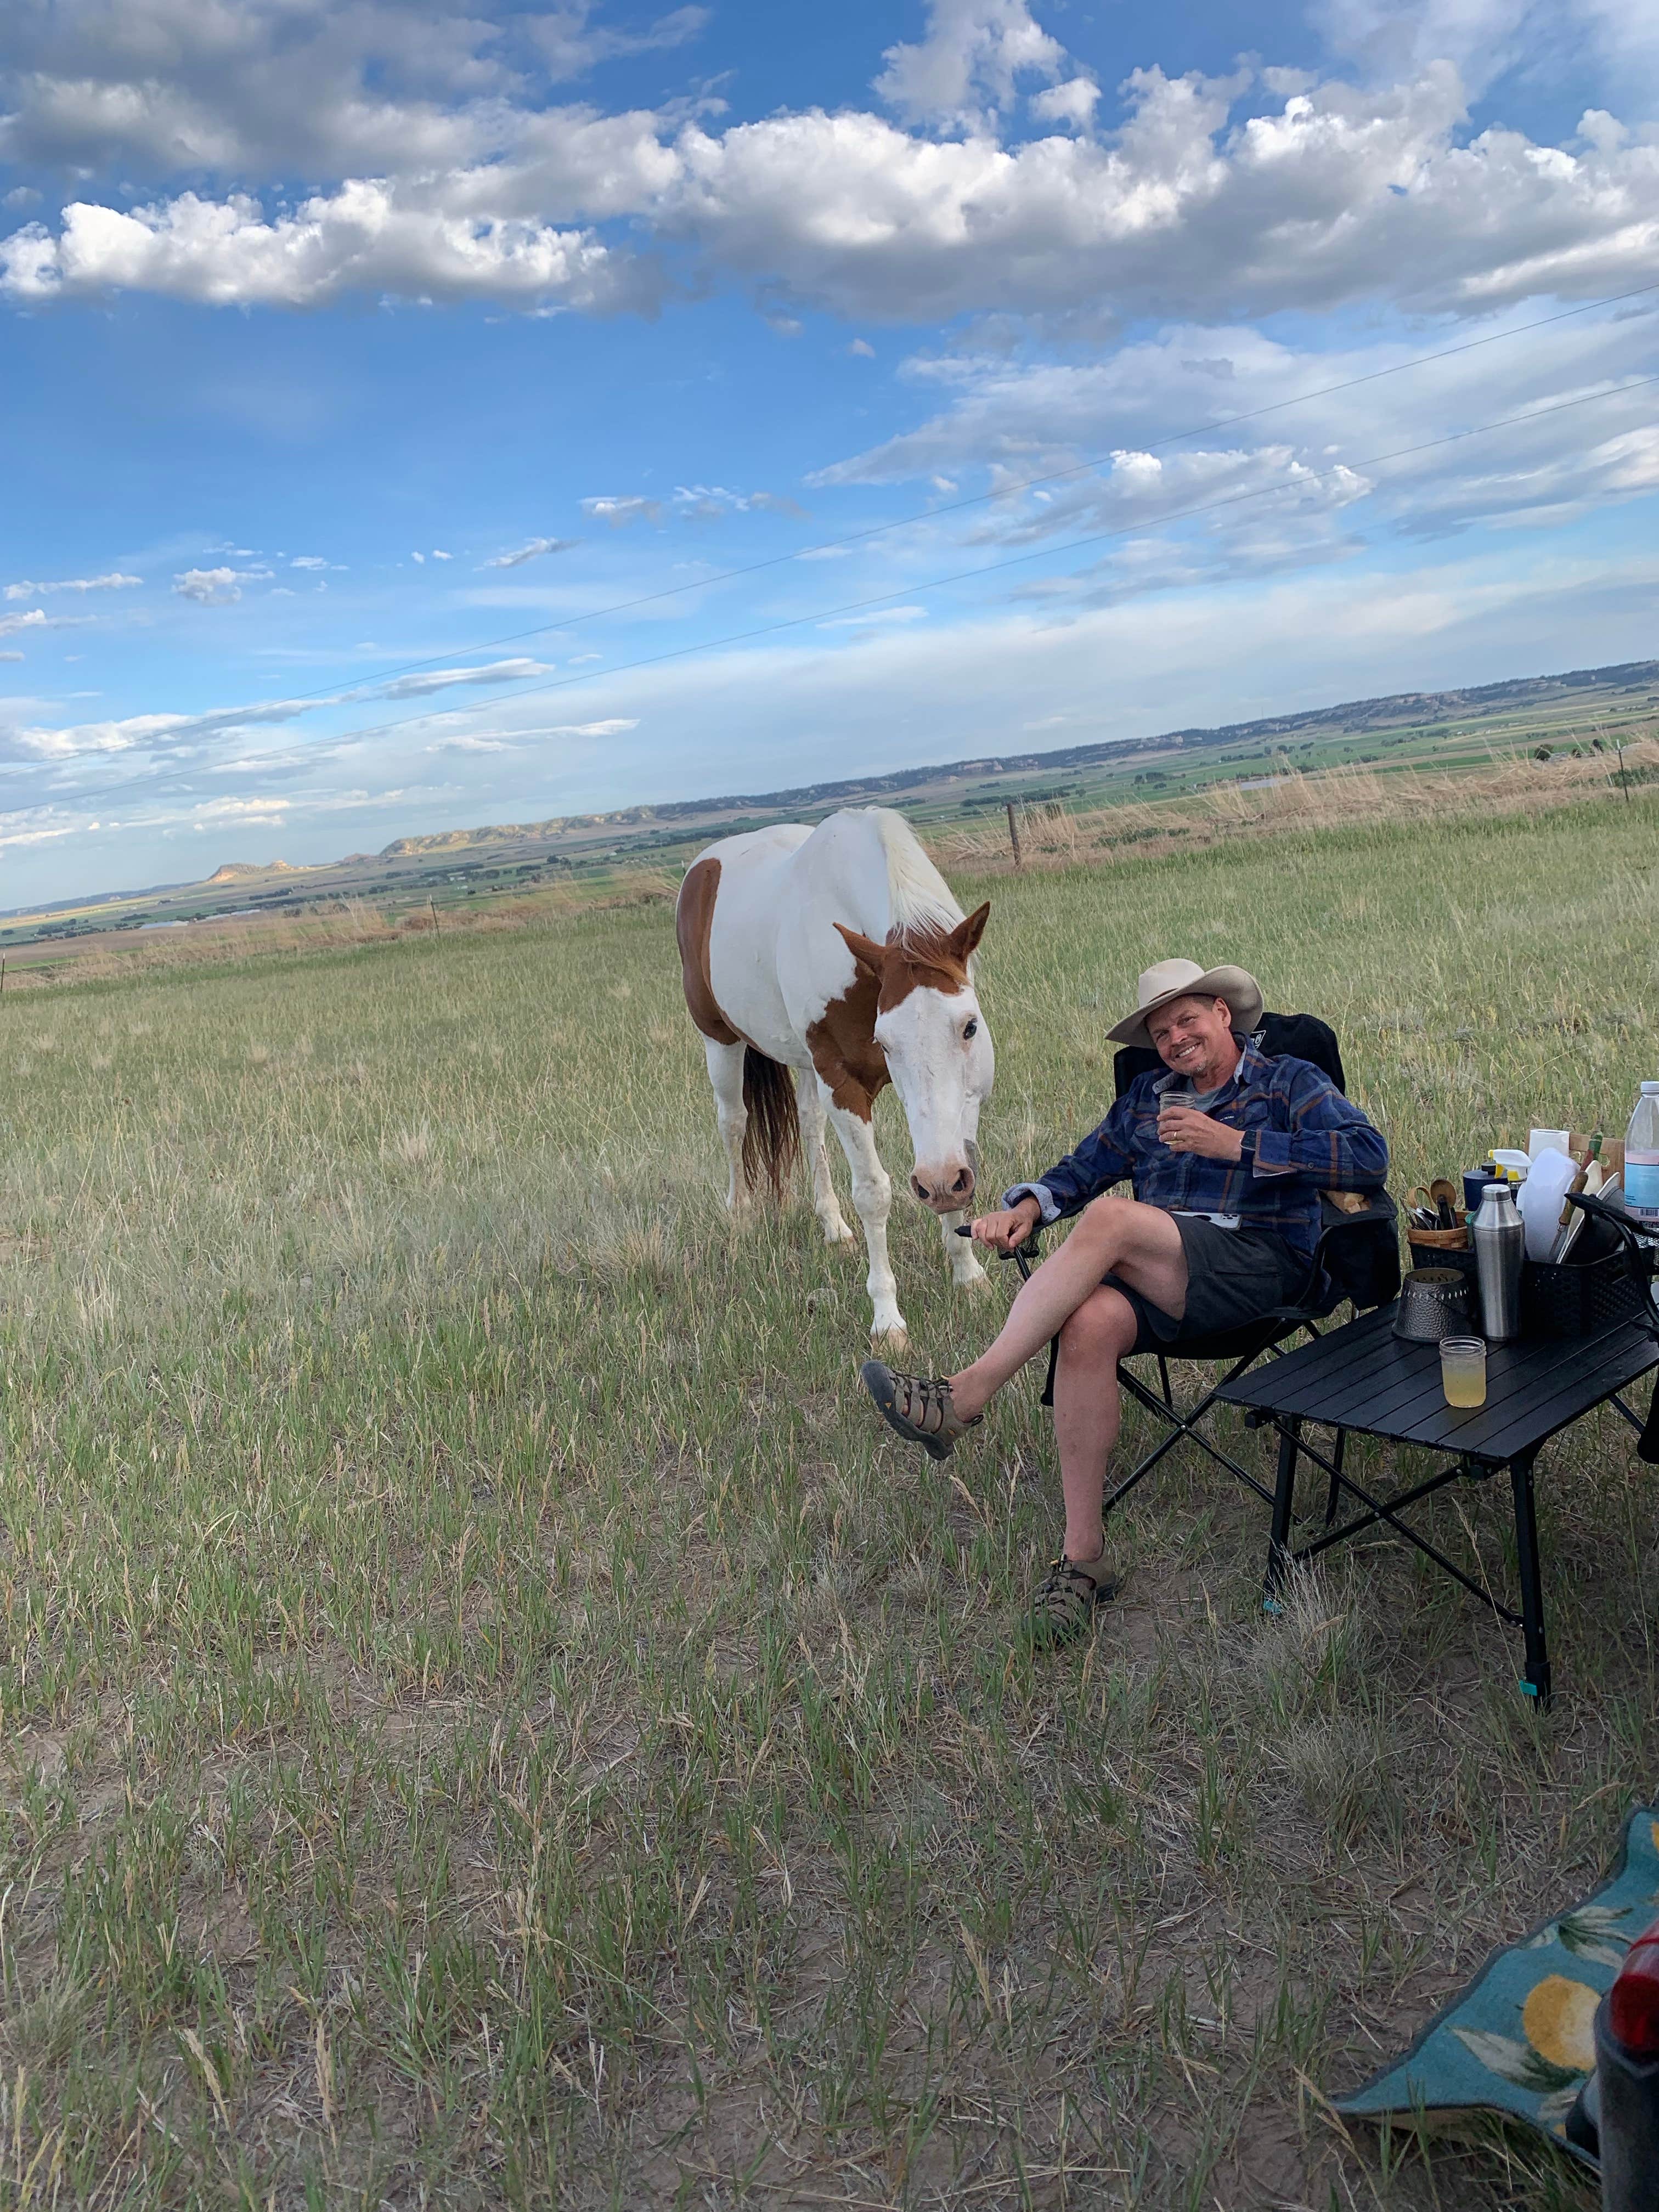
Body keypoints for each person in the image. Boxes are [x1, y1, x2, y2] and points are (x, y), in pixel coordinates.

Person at [860, 958, 1389, 1647]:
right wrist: (1028, 1204)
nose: (1175, 1038)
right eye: (1161, 1030)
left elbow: (1368, 1157)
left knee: (1111, 1223)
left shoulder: (1288, 1080)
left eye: (1187, 1020)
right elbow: (1089, 1165)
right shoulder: (1148, 1095)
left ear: (1223, 1015)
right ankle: (1085, 1561)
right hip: (1170, 1275)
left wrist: (1240, 1145)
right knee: (1088, 1321)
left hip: (1265, 1270)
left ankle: (965, 1396)